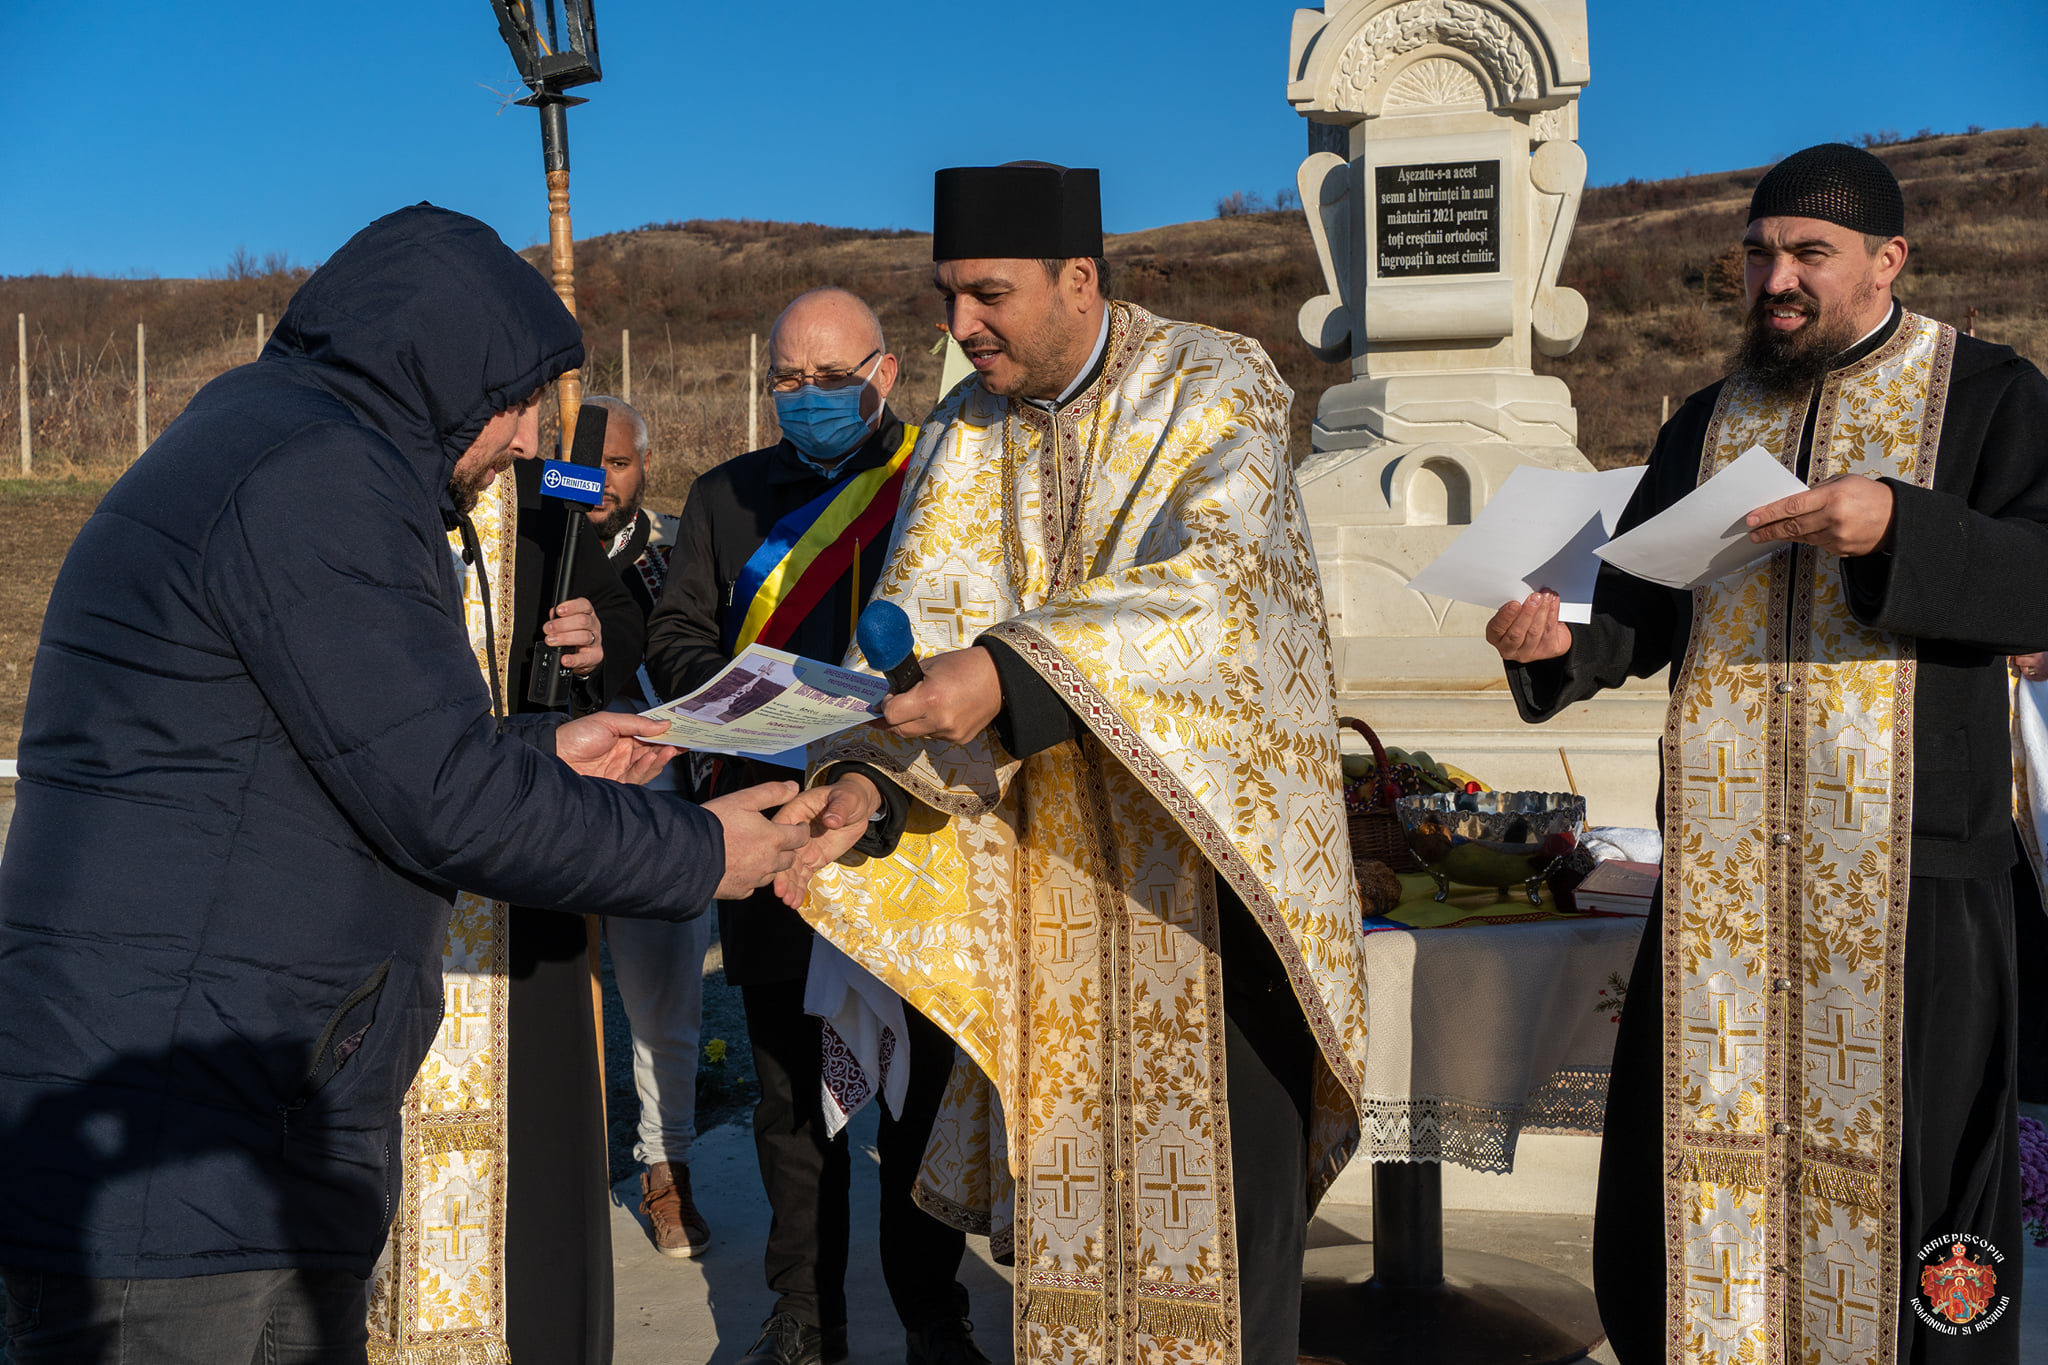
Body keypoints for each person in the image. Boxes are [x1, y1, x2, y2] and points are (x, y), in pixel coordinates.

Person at [0, 205, 813, 1365]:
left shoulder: (272, 439)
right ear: (443, 368)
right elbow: (439, 797)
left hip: (222, 1119)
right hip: (190, 1169)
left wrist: (542, 751)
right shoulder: (315, 475)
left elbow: (331, 745)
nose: (529, 441)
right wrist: (704, 852)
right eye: (517, 400)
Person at [789, 164, 1372, 1365]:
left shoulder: (1212, 380)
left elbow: (1222, 592)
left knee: (1221, 1276)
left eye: (989, 295)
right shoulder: (961, 428)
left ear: (1077, 279)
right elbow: (916, 618)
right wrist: (861, 782)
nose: (961, 326)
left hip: (1212, 903)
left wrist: (1007, 672)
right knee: (1075, 1263)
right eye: (947, 296)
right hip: (1049, 920)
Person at [1484, 143, 2048, 1365]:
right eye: (1756, 254)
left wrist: (1899, 524)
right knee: (1700, 1169)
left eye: (1806, 254)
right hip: (1725, 879)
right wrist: (1553, 642)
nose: (1773, 279)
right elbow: (1638, 606)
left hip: (1911, 869)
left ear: (1887, 261)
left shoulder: (1992, 395)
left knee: (1920, 1183)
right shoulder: (1705, 417)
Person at [643, 288, 979, 1365]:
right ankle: (803, 1315)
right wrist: (753, 700)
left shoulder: (942, 479)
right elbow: (676, 636)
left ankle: (933, 1314)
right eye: (787, 379)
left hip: (909, 821)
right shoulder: (724, 494)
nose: (807, 397)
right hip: (773, 818)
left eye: (831, 379)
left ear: (885, 374)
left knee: (922, 1083)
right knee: (790, 1094)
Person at [582, 393, 718, 1261]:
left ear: (643, 468)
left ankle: (667, 1166)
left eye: (618, 463)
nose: (600, 481)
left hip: (654, 797)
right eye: (584, 462)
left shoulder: (672, 557)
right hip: (542, 791)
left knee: (664, 994)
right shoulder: (527, 548)